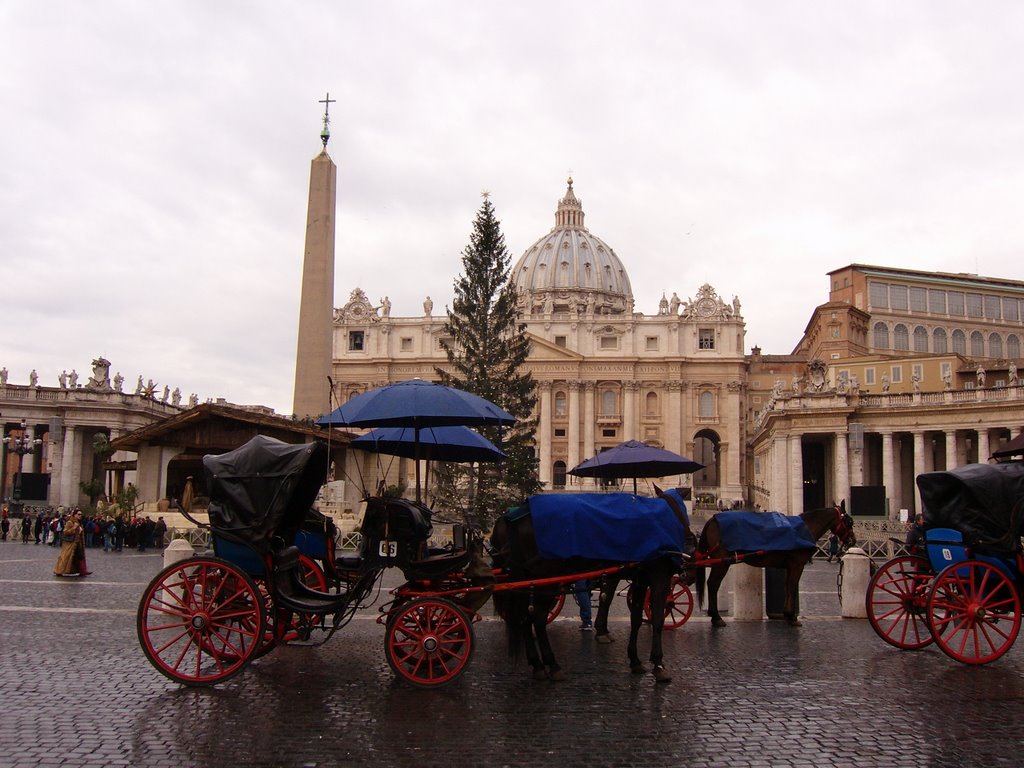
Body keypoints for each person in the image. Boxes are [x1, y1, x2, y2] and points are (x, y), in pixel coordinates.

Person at [54, 511, 90, 577]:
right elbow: (65, 532)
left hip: (78, 543)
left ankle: (82, 571)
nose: (80, 515)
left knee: (80, 556)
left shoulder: (79, 523)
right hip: (70, 543)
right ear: (74, 515)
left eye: (81, 514)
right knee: (66, 557)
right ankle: (59, 570)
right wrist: (74, 528)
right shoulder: (70, 522)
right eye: (78, 514)